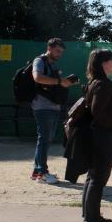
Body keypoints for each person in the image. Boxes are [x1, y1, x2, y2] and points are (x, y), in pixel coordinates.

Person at [81, 49, 112, 222]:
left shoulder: (94, 82)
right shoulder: (103, 84)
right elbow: (97, 111)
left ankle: (90, 216)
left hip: (95, 135)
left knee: (93, 177)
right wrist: (111, 125)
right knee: (98, 178)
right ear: (104, 63)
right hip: (102, 136)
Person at [31, 38, 80, 184]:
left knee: (46, 139)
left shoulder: (52, 64)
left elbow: (54, 85)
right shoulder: (39, 61)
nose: (59, 54)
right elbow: (37, 77)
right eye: (57, 51)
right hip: (42, 106)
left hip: (53, 106)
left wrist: (66, 82)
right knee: (44, 139)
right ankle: (42, 173)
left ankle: (37, 172)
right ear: (49, 48)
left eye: (61, 52)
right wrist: (60, 81)